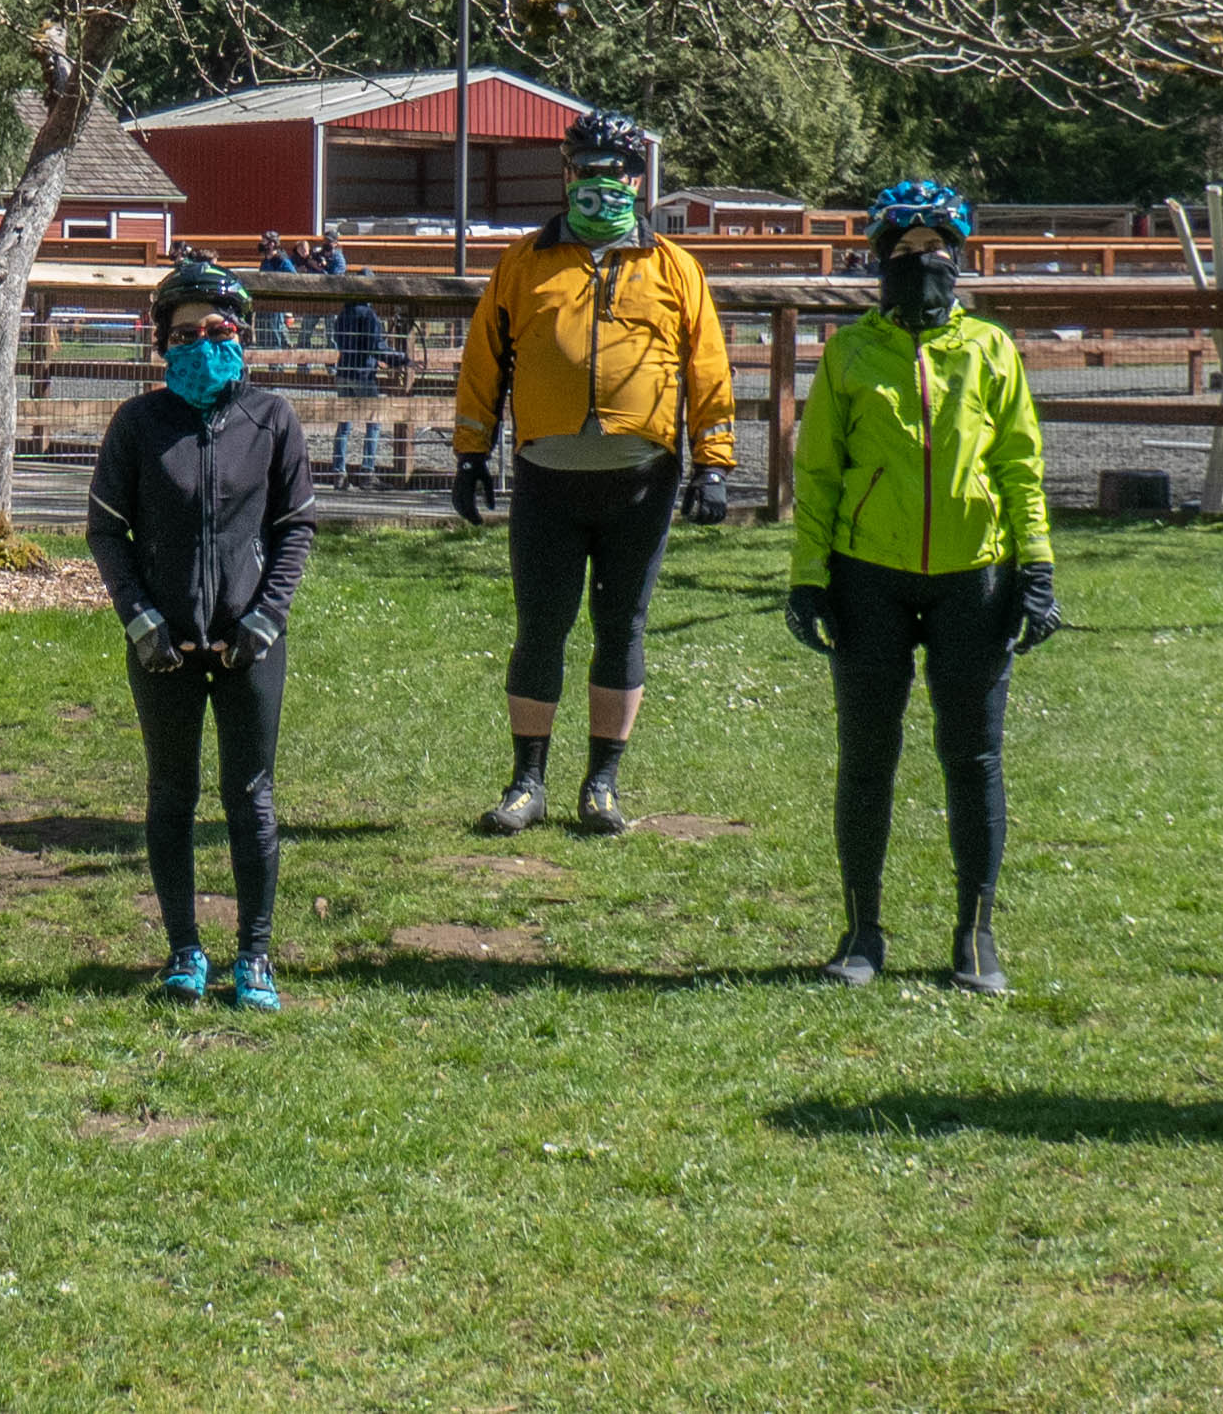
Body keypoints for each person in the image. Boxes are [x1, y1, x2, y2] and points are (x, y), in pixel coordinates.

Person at [783, 181, 1055, 994]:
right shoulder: (848, 353)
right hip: (869, 576)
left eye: (937, 248)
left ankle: (976, 934)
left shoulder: (990, 350)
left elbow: (1018, 463)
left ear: (960, 259)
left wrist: (1036, 566)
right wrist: (808, 576)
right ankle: (861, 929)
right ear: (877, 262)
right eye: (903, 251)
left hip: (977, 575)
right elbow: (820, 472)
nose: (921, 263)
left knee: (972, 756)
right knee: (867, 757)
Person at [447, 107, 738, 835]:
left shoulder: (673, 267)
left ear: (637, 180)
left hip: (640, 478)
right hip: (548, 475)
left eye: (615, 175)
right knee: (541, 627)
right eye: (586, 174)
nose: (600, 188)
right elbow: (485, 359)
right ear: (566, 176)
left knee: (620, 626)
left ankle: (602, 783)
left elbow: (707, 367)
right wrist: (470, 452)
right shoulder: (523, 262)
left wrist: (714, 464)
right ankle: (526, 782)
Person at [85, 254, 316, 1009]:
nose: (202, 341)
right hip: (164, 644)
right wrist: (139, 617)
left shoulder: (272, 419)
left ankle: (255, 954)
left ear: (242, 333)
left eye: (218, 327)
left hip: (249, 639)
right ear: (162, 341)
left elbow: (296, 527)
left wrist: (267, 617)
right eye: (185, 330)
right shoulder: (137, 423)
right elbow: (106, 528)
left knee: (250, 793)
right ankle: (184, 949)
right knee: (171, 793)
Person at [329, 291, 391, 488]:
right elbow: (376, 345)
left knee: (344, 425)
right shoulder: (369, 314)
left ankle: (339, 473)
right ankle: (367, 472)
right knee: (373, 423)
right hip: (363, 376)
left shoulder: (343, 314)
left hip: (344, 373)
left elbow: (338, 340)